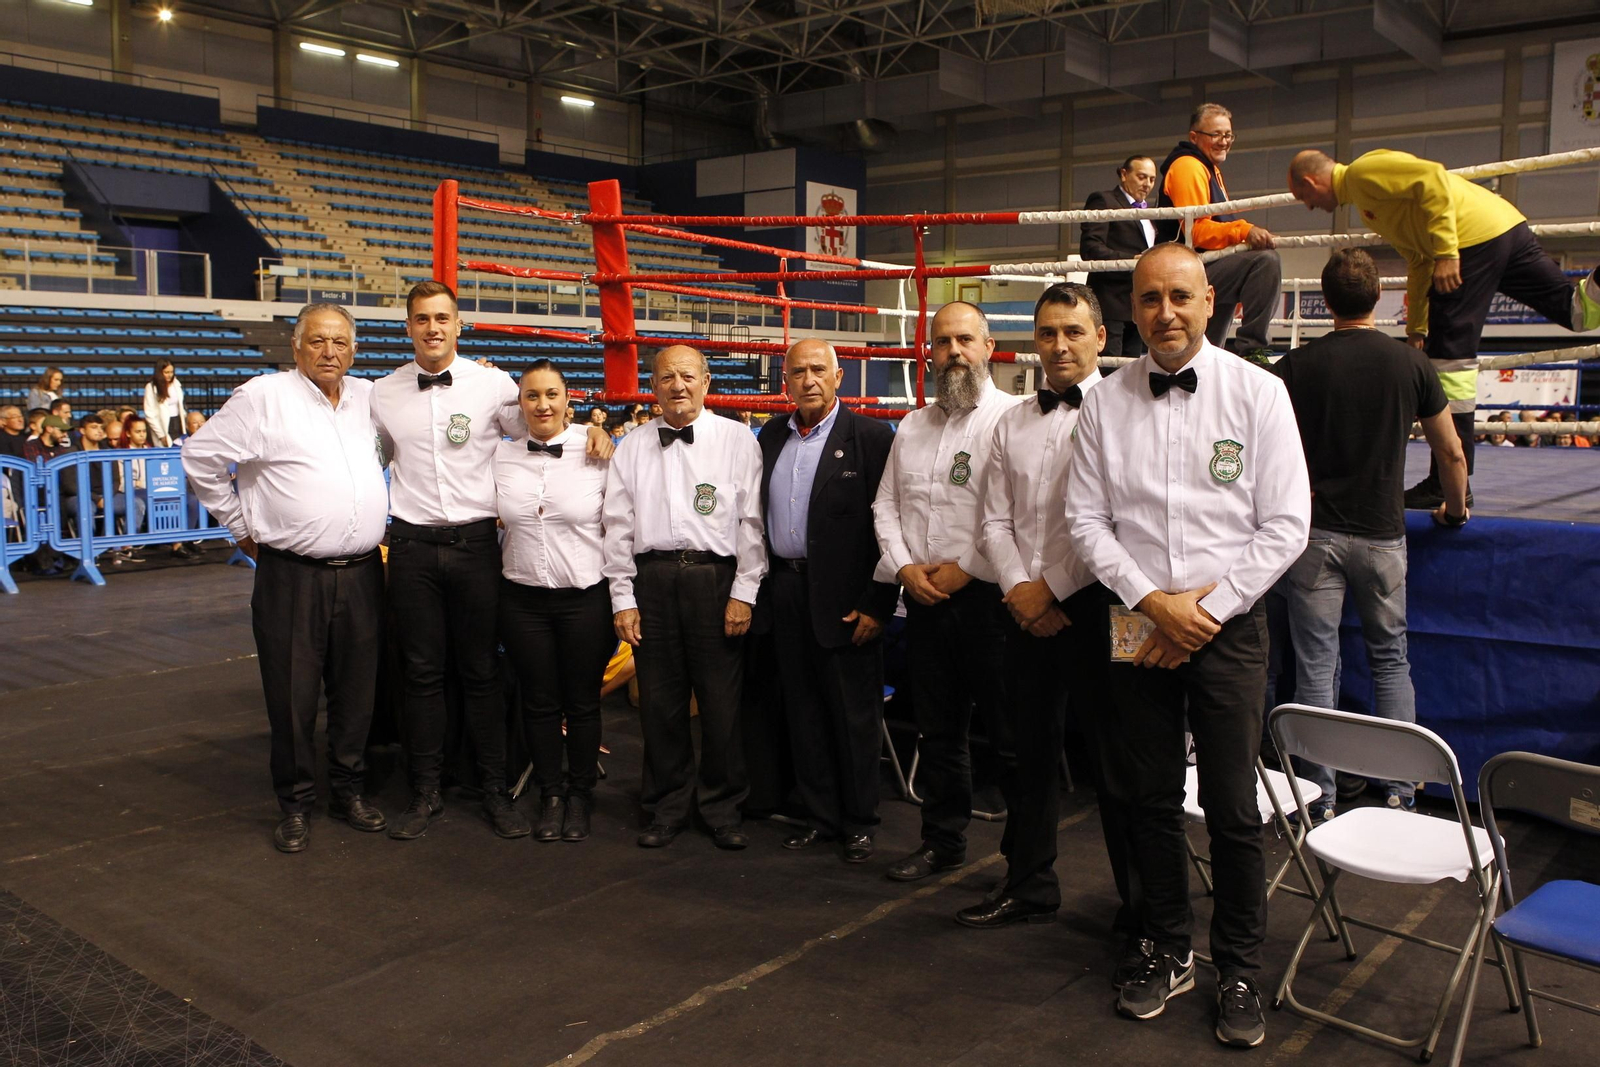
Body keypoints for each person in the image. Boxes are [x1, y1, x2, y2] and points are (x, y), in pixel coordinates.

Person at [1064, 242, 1310, 1048]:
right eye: (1148, 300)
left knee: (1235, 808)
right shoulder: (1103, 403)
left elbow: (1286, 525)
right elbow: (1086, 522)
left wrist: (1203, 612)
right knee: (1149, 799)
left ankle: (1240, 966)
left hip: (1227, 623)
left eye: (1179, 296)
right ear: (1130, 311)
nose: (1164, 312)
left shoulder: (1260, 392)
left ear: (1210, 301)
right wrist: (1152, 603)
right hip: (1137, 616)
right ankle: (1167, 947)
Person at [375, 281, 611, 842]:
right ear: (408, 327)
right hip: (411, 546)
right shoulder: (379, 394)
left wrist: (594, 429)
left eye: (442, 318)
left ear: (460, 325)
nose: (432, 328)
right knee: (422, 675)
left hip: (478, 547)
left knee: (483, 674)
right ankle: (426, 790)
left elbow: (540, 434)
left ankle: (494, 790)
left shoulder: (494, 386)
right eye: (421, 319)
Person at [953, 282, 1126, 939]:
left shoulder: (1128, 412)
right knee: (1026, 754)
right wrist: (1023, 590)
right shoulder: (1012, 421)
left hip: (1106, 606)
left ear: (1100, 337)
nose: (1059, 345)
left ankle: (1140, 904)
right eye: (1048, 332)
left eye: (1073, 331)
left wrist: (1048, 587)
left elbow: (1117, 524)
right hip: (1024, 609)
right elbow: (991, 519)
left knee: (1119, 759)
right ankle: (1027, 882)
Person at [182, 304, 389, 853]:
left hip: (364, 573)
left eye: (340, 342)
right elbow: (200, 456)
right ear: (295, 347)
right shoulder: (262, 397)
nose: (330, 352)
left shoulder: (370, 397)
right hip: (291, 576)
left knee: (356, 695)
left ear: (354, 349)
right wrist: (238, 525)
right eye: (318, 341)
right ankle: (296, 804)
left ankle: (348, 792)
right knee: (292, 697)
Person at [1287, 148, 1600, 508]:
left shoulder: (1362, 172)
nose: (1309, 206)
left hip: (1470, 242)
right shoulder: (1368, 206)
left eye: (1304, 198)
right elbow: (1420, 260)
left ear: (1311, 182)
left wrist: (1449, 252)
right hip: (1504, 227)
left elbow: (1433, 177)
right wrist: (1418, 325)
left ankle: (1447, 484)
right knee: (1576, 311)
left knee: (1450, 361)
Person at [1273, 248, 1468, 818]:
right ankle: (1402, 793)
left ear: (1325, 301)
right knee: (1390, 660)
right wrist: (1454, 512)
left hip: (1316, 536)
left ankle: (1319, 797)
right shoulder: (1410, 364)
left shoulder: (1297, 368)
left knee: (1314, 665)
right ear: (1378, 297)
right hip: (1383, 536)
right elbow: (1451, 451)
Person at [872, 301, 1023, 883]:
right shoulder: (911, 426)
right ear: (929, 352)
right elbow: (885, 505)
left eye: (965, 339)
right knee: (938, 732)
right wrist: (905, 567)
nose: (953, 351)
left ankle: (1023, 862)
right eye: (942, 342)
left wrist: (966, 568)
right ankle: (942, 840)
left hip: (989, 599)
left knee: (1008, 738)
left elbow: (1015, 515)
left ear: (989, 347)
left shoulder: (1013, 419)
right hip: (926, 600)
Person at [603, 345, 766, 850]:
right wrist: (622, 597)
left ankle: (722, 807)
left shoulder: (739, 440)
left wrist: (745, 591)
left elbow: (752, 524)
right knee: (660, 703)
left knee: (721, 702)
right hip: (651, 581)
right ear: (652, 386)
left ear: (706, 381)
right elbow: (617, 526)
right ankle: (666, 805)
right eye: (667, 376)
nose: (678, 385)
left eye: (688, 375)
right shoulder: (630, 445)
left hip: (715, 579)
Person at [758, 339, 898, 864]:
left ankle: (860, 822)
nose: (809, 379)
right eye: (799, 371)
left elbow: (890, 525)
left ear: (839, 377)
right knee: (804, 711)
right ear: (786, 380)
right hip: (787, 590)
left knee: (854, 717)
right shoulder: (771, 434)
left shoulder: (870, 436)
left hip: (848, 597)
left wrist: (878, 603)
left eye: (819, 369)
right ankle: (819, 816)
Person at [496, 361, 614, 844]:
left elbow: (620, 529)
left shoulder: (600, 452)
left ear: (569, 399)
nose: (542, 405)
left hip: (585, 596)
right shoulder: (500, 458)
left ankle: (581, 795)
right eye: (531, 396)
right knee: (539, 702)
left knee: (582, 702)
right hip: (521, 597)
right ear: (519, 403)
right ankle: (550, 794)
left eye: (552, 395)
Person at [1155, 103, 1281, 361]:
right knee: (1264, 262)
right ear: (1194, 137)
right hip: (1185, 269)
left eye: (1228, 135)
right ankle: (1253, 350)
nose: (1224, 142)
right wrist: (1245, 230)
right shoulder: (1188, 166)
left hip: (1204, 265)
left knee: (1204, 355)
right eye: (1215, 135)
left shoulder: (1210, 168)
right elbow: (1198, 231)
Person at [1082, 156, 1158, 357]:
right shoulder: (1104, 200)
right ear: (1124, 174)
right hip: (1110, 301)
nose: (1147, 184)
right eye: (1142, 177)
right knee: (1108, 370)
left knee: (1131, 371)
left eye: (1152, 179)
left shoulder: (1151, 213)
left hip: (1137, 303)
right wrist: (1131, 260)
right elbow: (1090, 248)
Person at [144, 359, 188, 447]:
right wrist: (161, 435)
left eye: (171, 372)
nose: (169, 375)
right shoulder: (151, 387)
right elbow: (149, 414)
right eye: (166, 372)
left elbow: (180, 406)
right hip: (163, 425)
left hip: (178, 422)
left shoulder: (176, 384)